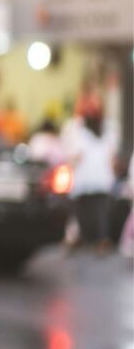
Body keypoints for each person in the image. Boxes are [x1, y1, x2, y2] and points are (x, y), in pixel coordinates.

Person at [63, 108, 116, 254]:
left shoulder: (82, 135)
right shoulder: (108, 134)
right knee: (100, 212)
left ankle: (83, 238)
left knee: (81, 211)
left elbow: (77, 156)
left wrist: (68, 165)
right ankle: (101, 240)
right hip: (102, 180)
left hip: (85, 180)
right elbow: (111, 159)